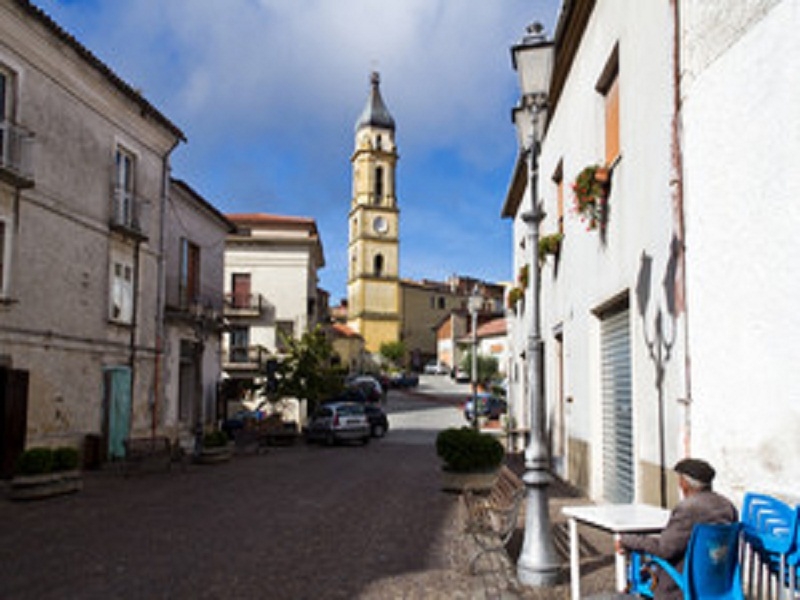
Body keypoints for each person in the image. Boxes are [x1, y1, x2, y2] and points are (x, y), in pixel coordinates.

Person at [618, 458, 738, 600]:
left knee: (639, 572)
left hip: (682, 585)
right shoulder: (727, 506)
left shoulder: (688, 509)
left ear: (685, 483)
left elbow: (665, 549)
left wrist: (627, 541)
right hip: (718, 582)